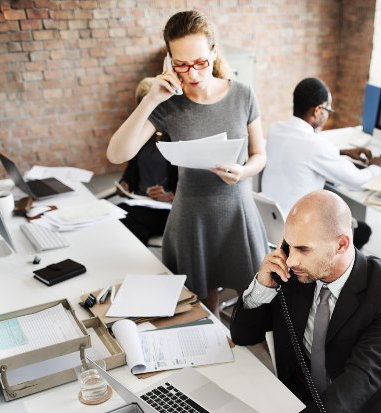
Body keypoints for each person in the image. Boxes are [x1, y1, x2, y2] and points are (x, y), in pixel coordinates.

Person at [106, 10, 268, 316]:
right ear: (168, 61)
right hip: (192, 218)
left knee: (256, 298)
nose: (191, 74)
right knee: (202, 307)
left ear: (214, 52)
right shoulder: (169, 104)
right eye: (180, 65)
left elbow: (260, 155)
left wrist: (243, 171)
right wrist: (152, 98)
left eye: (200, 63)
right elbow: (117, 154)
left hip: (236, 212)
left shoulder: (243, 95)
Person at [230, 190, 381, 413]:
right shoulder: (295, 272)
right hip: (304, 399)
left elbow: (358, 383)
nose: (292, 259)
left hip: (374, 406)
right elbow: (243, 335)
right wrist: (263, 286)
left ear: (341, 245)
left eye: (303, 248)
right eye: (289, 245)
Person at [262, 78, 381, 249]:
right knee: (363, 231)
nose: (328, 115)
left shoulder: (275, 130)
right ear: (318, 110)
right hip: (297, 233)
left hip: (269, 224)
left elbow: (300, 150)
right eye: (328, 110)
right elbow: (358, 180)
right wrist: (377, 166)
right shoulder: (316, 146)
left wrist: (341, 151)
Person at [116, 77, 178, 245]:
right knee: (124, 223)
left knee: (129, 225)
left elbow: (191, 184)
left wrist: (171, 195)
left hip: (166, 208)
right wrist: (125, 184)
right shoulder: (140, 138)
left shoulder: (176, 137)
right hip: (138, 202)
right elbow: (130, 174)